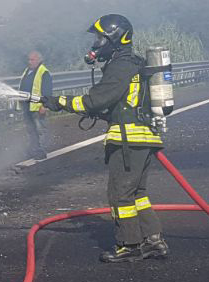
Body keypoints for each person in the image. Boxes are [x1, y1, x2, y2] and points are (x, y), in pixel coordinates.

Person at [44, 14, 169, 263]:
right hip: (142, 138)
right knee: (137, 194)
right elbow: (119, 102)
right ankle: (153, 240)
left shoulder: (120, 66)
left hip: (127, 141)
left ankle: (129, 244)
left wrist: (59, 102)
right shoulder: (133, 63)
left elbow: (95, 100)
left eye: (100, 38)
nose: (96, 44)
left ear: (115, 38)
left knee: (120, 195)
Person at [18, 51, 51, 160]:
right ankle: (34, 150)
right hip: (27, 106)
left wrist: (44, 106)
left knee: (40, 130)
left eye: (32, 60)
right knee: (31, 130)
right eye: (29, 59)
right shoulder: (27, 71)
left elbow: (47, 91)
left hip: (37, 107)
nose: (30, 62)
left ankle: (41, 151)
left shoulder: (44, 72)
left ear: (39, 60)